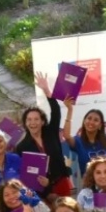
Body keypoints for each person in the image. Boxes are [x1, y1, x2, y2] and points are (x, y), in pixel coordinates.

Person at [16, 71, 74, 199]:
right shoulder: (21, 147)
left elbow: (56, 111)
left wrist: (46, 90)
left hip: (61, 181)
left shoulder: (51, 131)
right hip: (41, 191)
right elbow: (25, 173)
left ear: (42, 121)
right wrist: (46, 189)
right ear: (25, 123)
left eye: (36, 119)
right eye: (29, 120)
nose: (33, 123)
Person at [63, 108, 106, 177]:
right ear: (84, 121)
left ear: (100, 125)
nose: (91, 122)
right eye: (89, 118)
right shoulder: (78, 141)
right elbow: (66, 136)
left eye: (96, 120)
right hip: (89, 184)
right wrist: (70, 110)